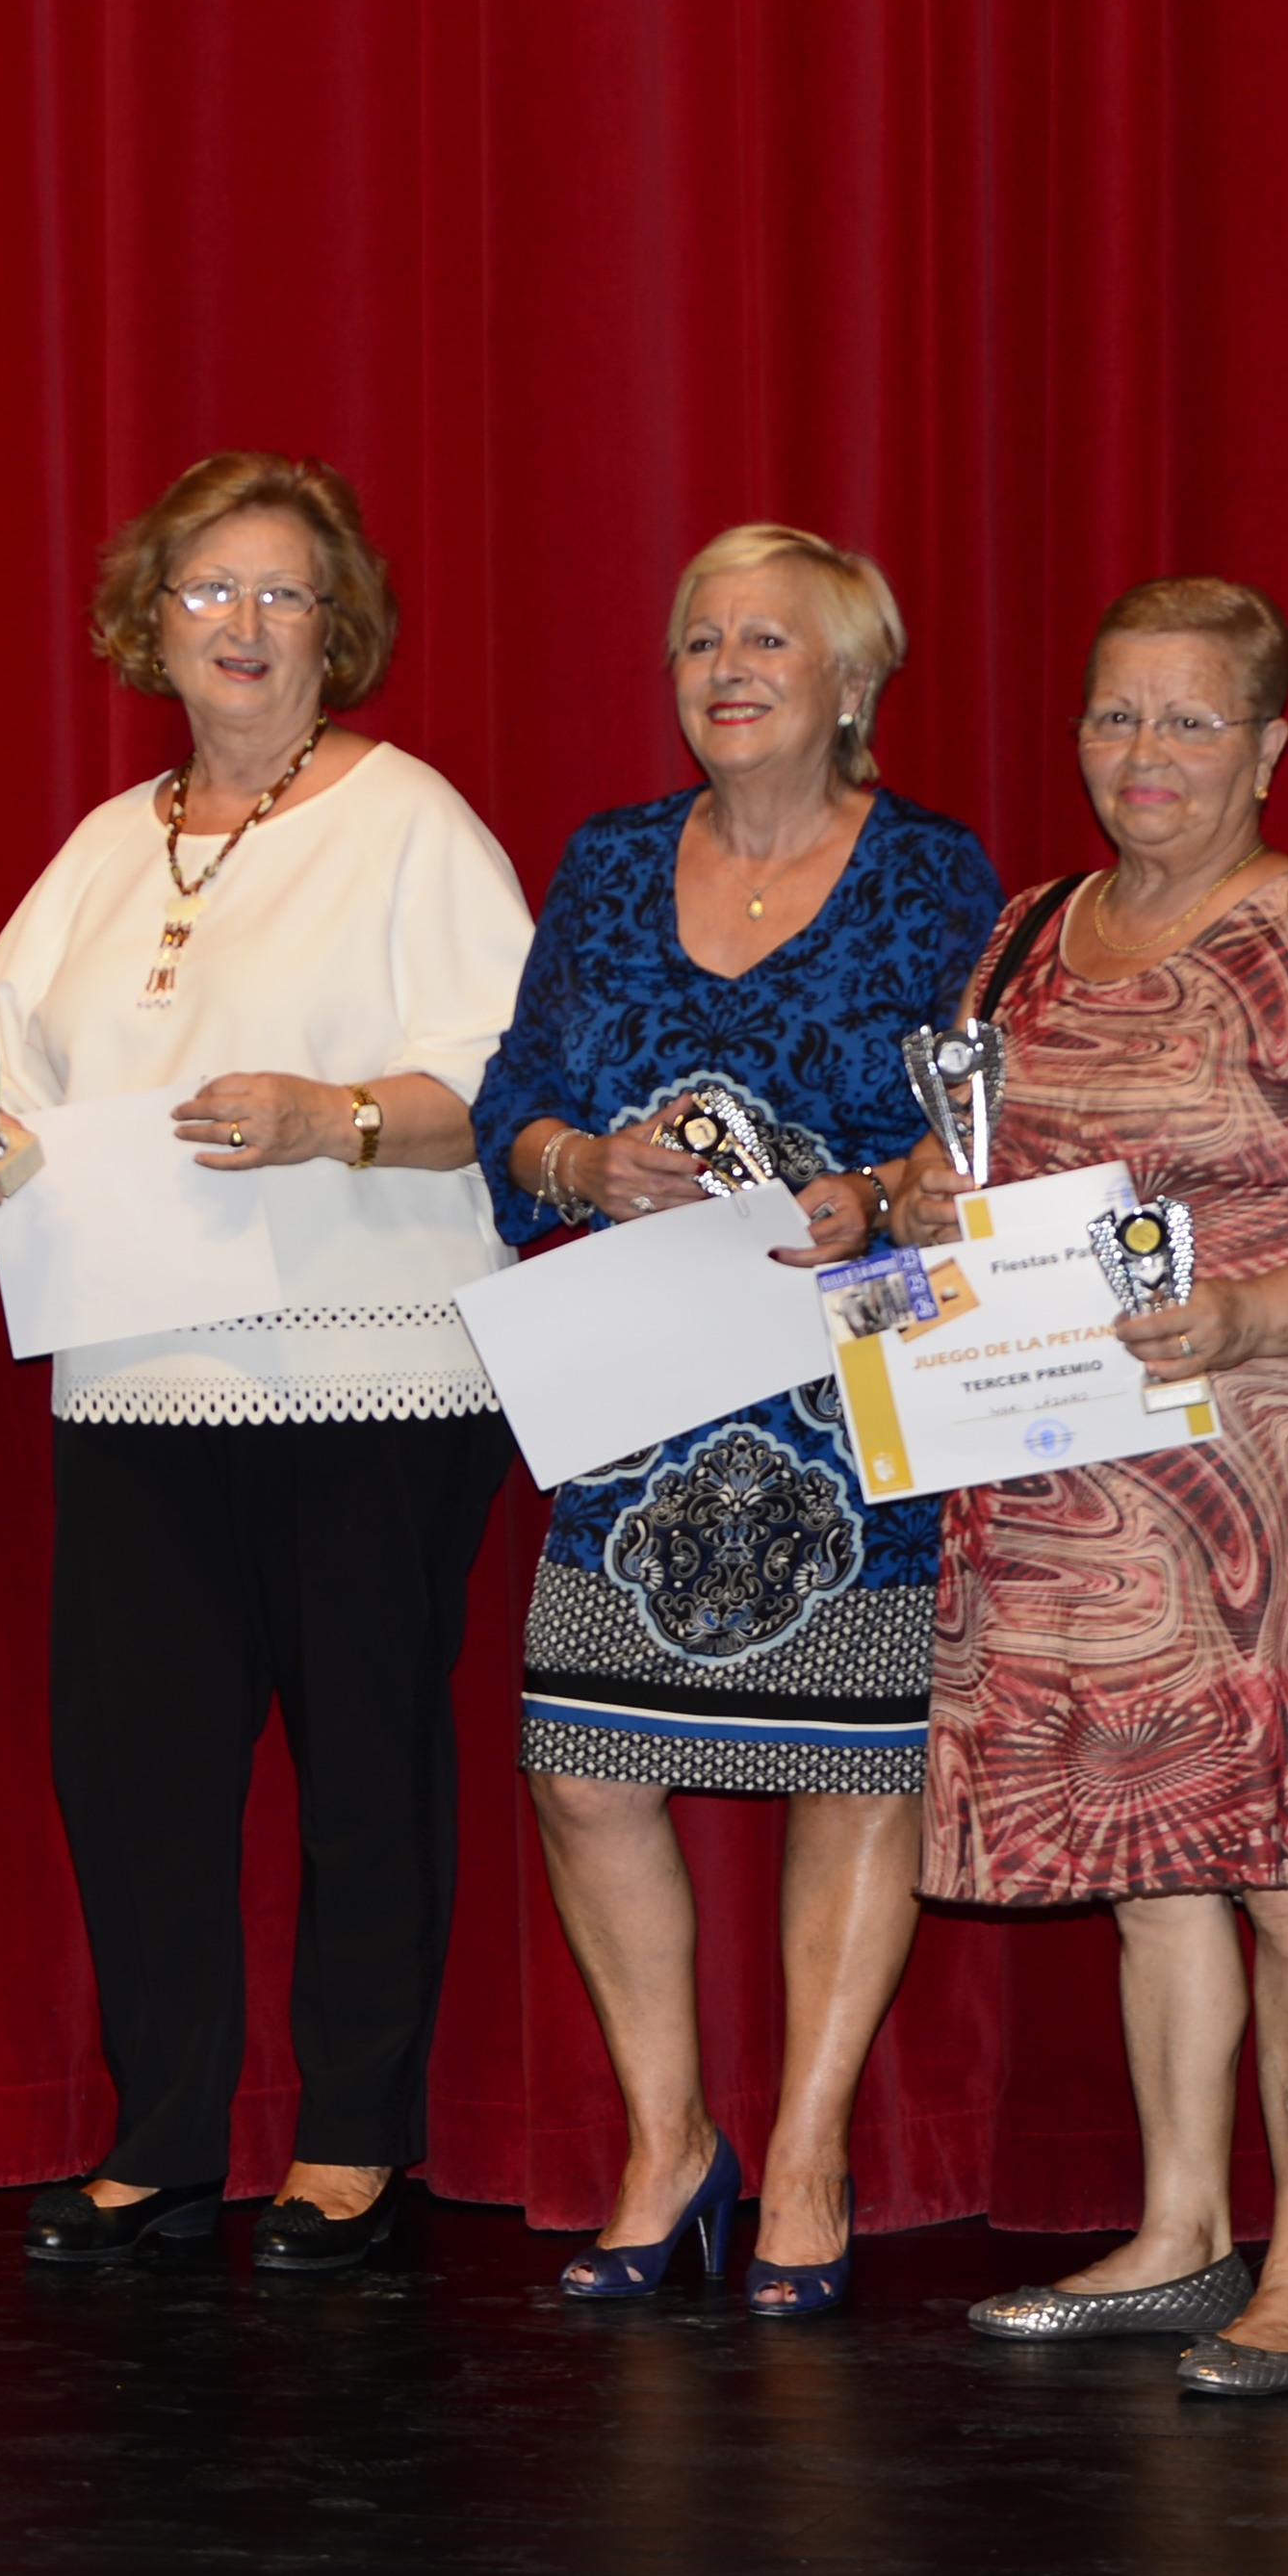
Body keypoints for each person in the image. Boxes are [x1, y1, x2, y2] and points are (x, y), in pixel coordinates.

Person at [0, 452, 531, 2277]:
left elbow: (513, 1073)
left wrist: (335, 1113)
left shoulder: (408, 819)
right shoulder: (107, 846)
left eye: (281, 595)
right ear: (148, 625)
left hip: (376, 1378)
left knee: (365, 1768)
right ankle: (164, 2130)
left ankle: (351, 2139)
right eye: (207, 593)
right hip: (135, 1376)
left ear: (334, 631)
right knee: (135, 1770)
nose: (242, 627)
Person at [908, 577, 1288, 2394]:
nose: (1140, 756)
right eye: (1112, 717)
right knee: (1150, 1866)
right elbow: (964, 1173)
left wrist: (1239, 1311)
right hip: (1065, 1480)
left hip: (1267, 1470)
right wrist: (921, 1207)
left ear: (1265, 745)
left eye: (1185, 721)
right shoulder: (1018, 937)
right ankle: (1177, 2229)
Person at [474, 527, 994, 2311]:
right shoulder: (609, 862)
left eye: (767, 637)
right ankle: (664, 2141)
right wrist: (569, 1157)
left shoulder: (934, 872)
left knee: (852, 1767)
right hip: (635, 1384)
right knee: (583, 1757)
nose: (725, 665)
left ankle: (806, 2155)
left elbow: (980, 1127)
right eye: (699, 637)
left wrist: (877, 1187)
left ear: (851, 682)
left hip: (847, 1385)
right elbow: (510, 1102)